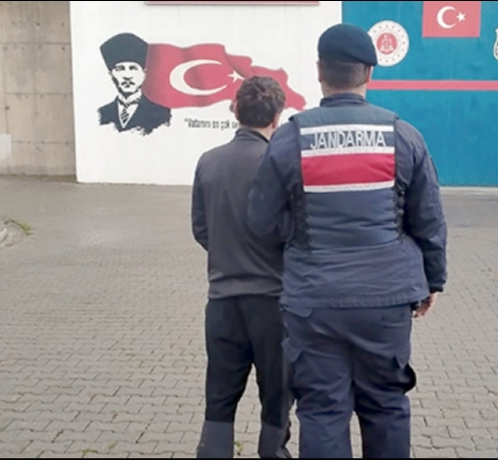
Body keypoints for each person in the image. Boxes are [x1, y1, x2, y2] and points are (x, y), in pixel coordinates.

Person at [246, 23, 448, 458]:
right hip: (386, 300)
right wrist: (433, 280)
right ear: (369, 73)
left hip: (314, 301)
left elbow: (261, 221)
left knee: (322, 409)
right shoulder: (403, 135)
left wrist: (301, 235)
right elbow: (428, 218)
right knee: (386, 405)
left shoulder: (291, 137)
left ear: (320, 70)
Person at [191, 76, 292, 458]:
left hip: (222, 301)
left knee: (219, 397)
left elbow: (201, 229)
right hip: (273, 301)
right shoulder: (280, 163)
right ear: (277, 117)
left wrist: (227, 251)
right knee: (277, 394)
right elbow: (294, 232)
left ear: (235, 110)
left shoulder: (208, 161)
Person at [98, 32, 171, 135]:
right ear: (111, 74)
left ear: (144, 73)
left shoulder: (162, 115)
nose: (127, 76)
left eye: (133, 68)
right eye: (120, 69)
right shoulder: (102, 114)